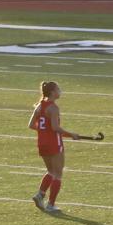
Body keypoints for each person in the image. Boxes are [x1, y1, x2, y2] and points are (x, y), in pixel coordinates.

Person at [31, 81, 92, 212]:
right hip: (54, 143)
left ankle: (40, 194)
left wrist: (46, 132)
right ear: (53, 92)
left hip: (42, 142)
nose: (60, 91)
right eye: (58, 89)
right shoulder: (53, 108)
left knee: (50, 171)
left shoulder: (39, 106)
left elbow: (31, 125)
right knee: (58, 174)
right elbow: (55, 128)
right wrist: (72, 135)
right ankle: (51, 204)